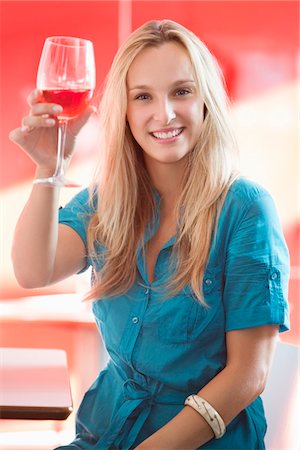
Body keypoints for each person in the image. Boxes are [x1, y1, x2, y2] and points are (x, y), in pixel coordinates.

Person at [9, 19, 290, 450]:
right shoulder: (108, 200)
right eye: (143, 97)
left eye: (181, 91)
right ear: (124, 109)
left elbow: (247, 376)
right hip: (106, 432)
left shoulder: (246, 209)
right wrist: (50, 168)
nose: (165, 114)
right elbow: (33, 270)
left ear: (205, 102)